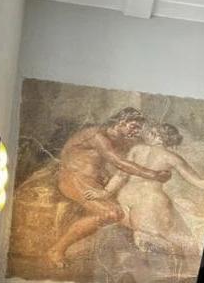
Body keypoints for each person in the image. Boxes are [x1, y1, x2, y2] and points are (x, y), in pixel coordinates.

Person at [47, 107, 170, 267]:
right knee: (111, 213)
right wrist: (153, 174)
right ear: (121, 122)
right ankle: (56, 250)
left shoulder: (119, 138)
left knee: (132, 215)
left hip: (95, 183)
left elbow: (117, 165)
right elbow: (119, 163)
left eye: (138, 129)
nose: (136, 131)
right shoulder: (97, 135)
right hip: (74, 179)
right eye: (133, 126)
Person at [103, 122, 204, 256]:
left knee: (147, 238)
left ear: (157, 135)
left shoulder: (137, 149)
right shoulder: (171, 157)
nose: (146, 135)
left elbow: (120, 175)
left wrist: (105, 192)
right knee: (156, 237)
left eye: (150, 132)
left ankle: (198, 254)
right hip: (149, 200)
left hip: (127, 198)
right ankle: (197, 253)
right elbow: (199, 183)